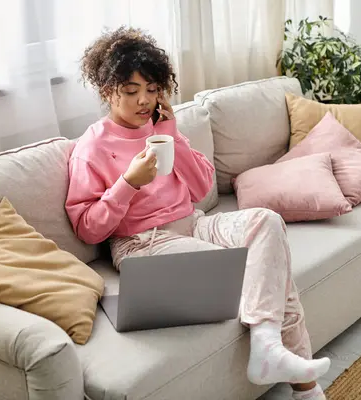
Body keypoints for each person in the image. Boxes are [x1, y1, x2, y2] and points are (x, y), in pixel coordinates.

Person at [65, 27, 331, 399]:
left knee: (266, 222)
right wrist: (128, 183)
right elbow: (87, 229)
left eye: (153, 89)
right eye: (131, 91)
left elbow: (201, 188)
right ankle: (306, 390)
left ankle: (267, 346)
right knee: (257, 271)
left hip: (194, 224)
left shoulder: (161, 129)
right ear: (107, 90)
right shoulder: (91, 147)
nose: (144, 100)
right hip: (143, 244)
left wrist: (172, 134)